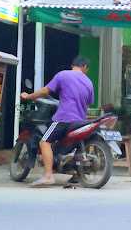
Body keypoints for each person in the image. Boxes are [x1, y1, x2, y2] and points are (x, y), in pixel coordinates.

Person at [20, 56, 94, 187]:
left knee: (44, 141)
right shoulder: (89, 82)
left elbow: (45, 91)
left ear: (73, 65)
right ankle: (76, 174)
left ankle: (48, 176)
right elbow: (87, 104)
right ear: (85, 67)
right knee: (76, 144)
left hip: (63, 118)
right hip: (80, 122)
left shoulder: (63, 75)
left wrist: (29, 96)